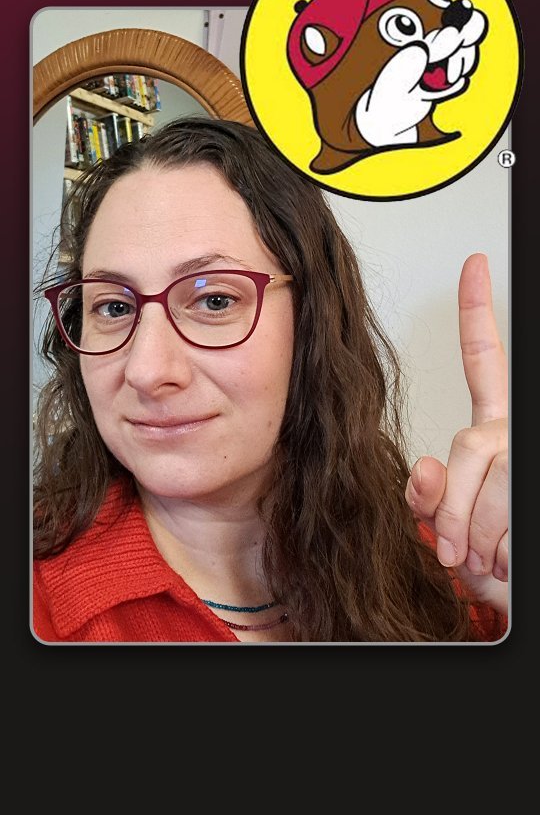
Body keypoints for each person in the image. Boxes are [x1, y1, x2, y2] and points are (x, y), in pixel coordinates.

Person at [32, 115, 508, 643]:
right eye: (114, 307)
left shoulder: (448, 566)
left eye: (215, 300)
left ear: (312, 324)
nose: (147, 371)